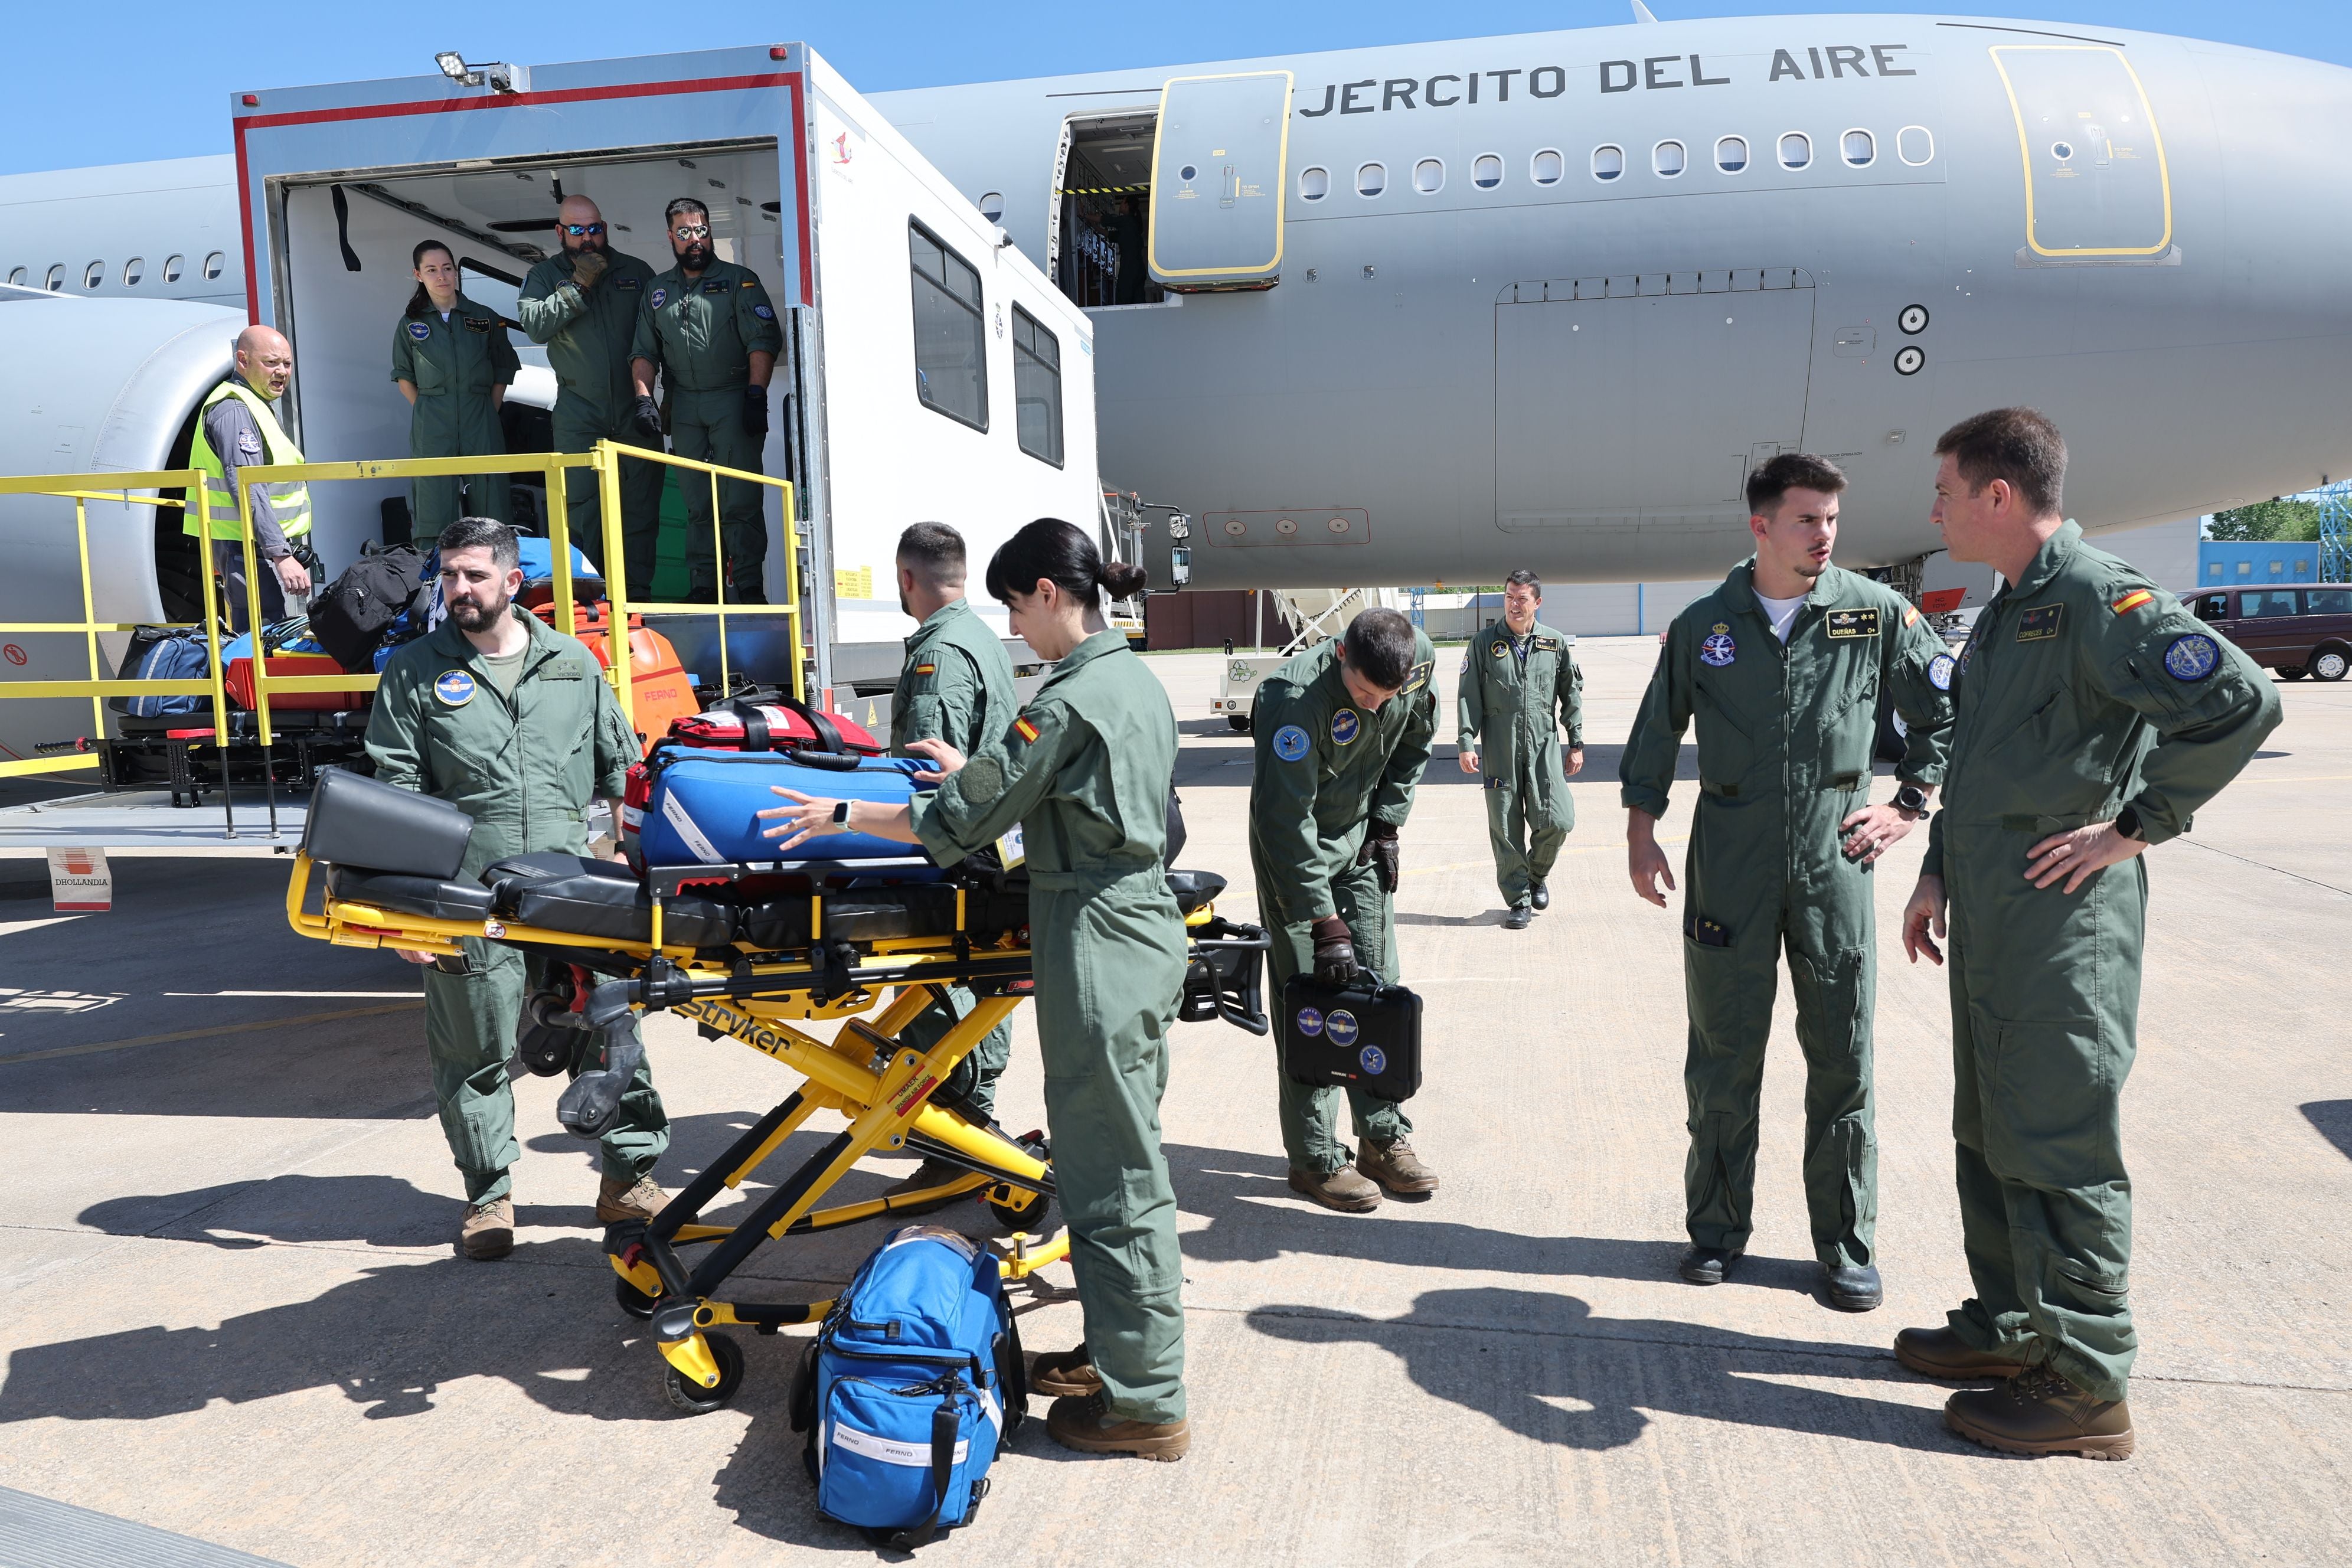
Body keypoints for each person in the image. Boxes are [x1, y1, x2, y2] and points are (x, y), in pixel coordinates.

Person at [755, 518, 1191, 1462]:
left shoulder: (1068, 699)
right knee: (1120, 1156)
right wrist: (987, 778)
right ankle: (1121, 1355)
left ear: (1046, 592)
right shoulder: (1134, 680)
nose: (1014, 632)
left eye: (1014, 609)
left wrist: (843, 811)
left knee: (1110, 1175)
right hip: (1138, 926)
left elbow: (959, 818)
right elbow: (1059, 798)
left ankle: (1146, 1401)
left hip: (1096, 937)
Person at [1896, 409, 2279, 1458]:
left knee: (2058, 1139)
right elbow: (1977, 760)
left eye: (1943, 490)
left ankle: (2085, 1386)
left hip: (2062, 926)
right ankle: (2012, 1326)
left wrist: (2132, 827)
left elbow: (2238, 702)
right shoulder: (2009, 606)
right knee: (1989, 1128)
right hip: (1991, 909)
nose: (1929, 508)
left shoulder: (2098, 598)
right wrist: (1934, 872)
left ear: (1996, 497)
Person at [1619, 452, 1955, 1312]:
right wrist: (1642, 829)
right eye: (1808, 519)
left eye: (1833, 519)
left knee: (1843, 1056)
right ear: (1761, 525)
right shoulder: (1706, 626)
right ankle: (1716, 1233)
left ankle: (1844, 1245)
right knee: (1723, 1056)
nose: (1825, 535)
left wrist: (1910, 803)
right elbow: (1659, 728)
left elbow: (1945, 711)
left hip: (1834, 856)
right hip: (1728, 856)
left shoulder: (1874, 613)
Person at [365, 517, 672, 1260]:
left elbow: (623, 773)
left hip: (574, 887)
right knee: (471, 1046)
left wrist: (648, 870)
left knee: (610, 1031)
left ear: (511, 581)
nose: (459, 589)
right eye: (448, 576)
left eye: (474, 575)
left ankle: (628, 1181)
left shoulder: (572, 663)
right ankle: (488, 1196)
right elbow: (397, 793)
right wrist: (405, 914)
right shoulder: (412, 670)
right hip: (469, 894)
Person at [1248, 607, 1440, 1213]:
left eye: (1388, 695)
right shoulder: (1293, 700)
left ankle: (1382, 1137)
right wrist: (1321, 917)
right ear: (1341, 658)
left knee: (1377, 987)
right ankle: (1313, 1157)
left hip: (1359, 838)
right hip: (1296, 852)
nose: (1376, 705)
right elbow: (1285, 819)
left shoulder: (1415, 663)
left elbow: (1415, 743)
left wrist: (1387, 822)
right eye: (1363, 693)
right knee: (1312, 999)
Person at [881, 521, 1021, 1197]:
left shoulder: (941, 656)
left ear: (909, 578)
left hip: (955, 859)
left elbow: (929, 774)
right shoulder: (986, 641)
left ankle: (958, 1142)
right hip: (990, 855)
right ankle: (967, 1130)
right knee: (975, 993)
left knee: (947, 997)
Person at [629, 198, 783, 603]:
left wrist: (755, 394)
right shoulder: (657, 290)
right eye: (684, 232)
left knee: (741, 496)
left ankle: (749, 586)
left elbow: (763, 339)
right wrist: (645, 399)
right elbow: (644, 351)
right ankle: (704, 587)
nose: (694, 239)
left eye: (700, 230)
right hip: (686, 404)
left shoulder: (739, 280)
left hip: (732, 397)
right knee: (697, 502)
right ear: (671, 237)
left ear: (709, 231)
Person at [517, 195, 664, 586]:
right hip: (580, 412)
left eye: (595, 229)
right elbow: (535, 325)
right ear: (560, 232)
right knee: (583, 511)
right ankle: (591, 603)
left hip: (635, 407)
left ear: (605, 228)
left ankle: (636, 603)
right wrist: (578, 285)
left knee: (640, 509)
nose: (588, 239)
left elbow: (659, 334)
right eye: (578, 230)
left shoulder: (636, 271)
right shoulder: (545, 276)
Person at [1457, 569, 1584, 929]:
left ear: (1537, 603)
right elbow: (1469, 695)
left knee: (1559, 819)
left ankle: (1536, 875)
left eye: (1522, 598)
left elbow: (1570, 694)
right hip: (1500, 743)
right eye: (1509, 596)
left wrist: (1576, 742)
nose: (1514, 604)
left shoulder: (1554, 643)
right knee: (1505, 824)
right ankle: (1519, 901)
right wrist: (1467, 741)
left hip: (1544, 743)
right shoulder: (1484, 643)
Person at [188, 324, 313, 633]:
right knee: (261, 636)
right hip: (245, 547)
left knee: (269, 634)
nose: (282, 371)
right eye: (271, 363)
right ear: (242, 361)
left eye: (287, 363)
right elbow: (248, 486)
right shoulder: (234, 409)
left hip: (255, 545)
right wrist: (281, 555)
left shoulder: (254, 404)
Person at [391, 240, 518, 543]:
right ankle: (433, 582)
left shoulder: (485, 317)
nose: (442, 276)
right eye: (432, 270)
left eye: (447, 268)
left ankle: (497, 579)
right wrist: (426, 411)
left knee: (493, 504)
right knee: (433, 506)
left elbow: (503, 369)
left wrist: (490, 409)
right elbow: (404, 377)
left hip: (481, 415)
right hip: (432, 420)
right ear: (418, 275)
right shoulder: (411, 323)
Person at [1109, 194, 1147, 306]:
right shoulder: (1133, 226)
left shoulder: (1126, 221)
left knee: (1123, 300)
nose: (1120, 205)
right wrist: (1093, 225)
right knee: (1138, 302)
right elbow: (1111, 235)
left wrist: (1085, 215)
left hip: (1129, 269)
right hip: (1138, 270)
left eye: (1122, 202)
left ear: (1127, 205)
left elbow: (1107, 220)